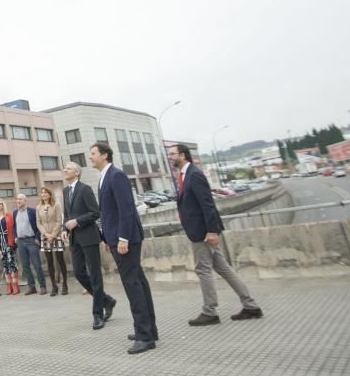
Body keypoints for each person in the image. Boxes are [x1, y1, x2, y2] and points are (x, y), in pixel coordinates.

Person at [171, 143, 263, 325]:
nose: (170, 157)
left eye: (172, 154)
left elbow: (207, 205)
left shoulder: (194, 175)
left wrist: (212, 231)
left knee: (203, 269)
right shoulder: (184, 175)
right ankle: (251, 306)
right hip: (200, 230)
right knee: (224, 269)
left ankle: (210, 311)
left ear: (182, 155)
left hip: (203, 232)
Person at [92, 142, 158, 354]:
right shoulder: (103, 177)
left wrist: (122, 238)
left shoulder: (116, 175)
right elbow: (107, 213)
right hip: (116, 238)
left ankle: (144, 336)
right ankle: (149, 329)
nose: (90, 157)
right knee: (139, 282)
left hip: (126, 239)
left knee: (133, 285)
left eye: (93, 153)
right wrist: (106, 238)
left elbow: (126, 210)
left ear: (104, 155)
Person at [63, 161, 117, 329]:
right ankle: (107, 300)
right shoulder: (65, 191)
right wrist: (65, 226)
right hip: (74, 239)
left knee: (95, 275)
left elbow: (95, 212)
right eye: (65, 168)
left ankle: (98, 314)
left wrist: (77, 221)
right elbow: (67, 214)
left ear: (77, 173)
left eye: (69, 168)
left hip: (89, 237)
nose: (65, 170)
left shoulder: (85, 189)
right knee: (79, 273)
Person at [13, 193, 47, 295]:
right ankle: (32, 287)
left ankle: (42, 286)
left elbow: (38, 225)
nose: (18, 201)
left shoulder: (32, 211)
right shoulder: (15, 212)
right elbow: (14, 226)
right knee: (25, 266)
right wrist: (15, 236)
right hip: (20, 241)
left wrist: (37, 238)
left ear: (25, 201)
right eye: (17, 199)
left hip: (31, 241)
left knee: (37, 264)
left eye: (20, 199)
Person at [37, 187, 68, 296]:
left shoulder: (56, 205)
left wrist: (53, 235)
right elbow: (38, 223)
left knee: (60, 260)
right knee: (49, 262)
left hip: (57, 235)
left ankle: (65, 284)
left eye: (46, 192)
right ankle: (54, 286)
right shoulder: (38, 207)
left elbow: (59, 220)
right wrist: (46, 234)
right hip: (45, 236)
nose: (44, 194)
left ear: (50, 194)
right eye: (42, 192)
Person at [0, 199, 19, 295]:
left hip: (9, 241)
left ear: (3, 205)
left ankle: (15, 284)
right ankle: (8, 285)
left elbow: (13, 227)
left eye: (0, 204)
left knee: (12, 263)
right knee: (5, 264)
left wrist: (13, 239)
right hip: (0, 243)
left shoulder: (9, 215)